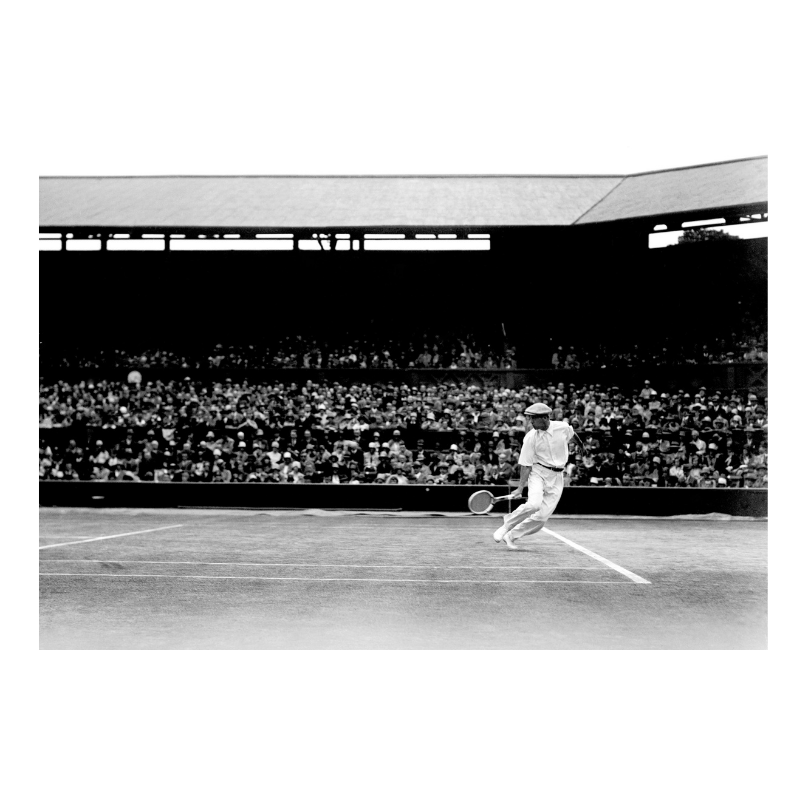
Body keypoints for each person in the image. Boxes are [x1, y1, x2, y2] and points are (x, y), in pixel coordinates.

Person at [493, 403, 581, 550]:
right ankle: (505, 527)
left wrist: (581, 445)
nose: (530, 422)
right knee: (534, 504)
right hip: (538, 473)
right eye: (529, 418)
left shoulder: (563, 427)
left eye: (533, 418)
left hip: (558, 476)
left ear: (545, 418)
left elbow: (572, 435)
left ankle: (511, 535)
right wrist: (520, 488)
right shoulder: (530, 437)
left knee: (541, 518)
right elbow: (526, 464)